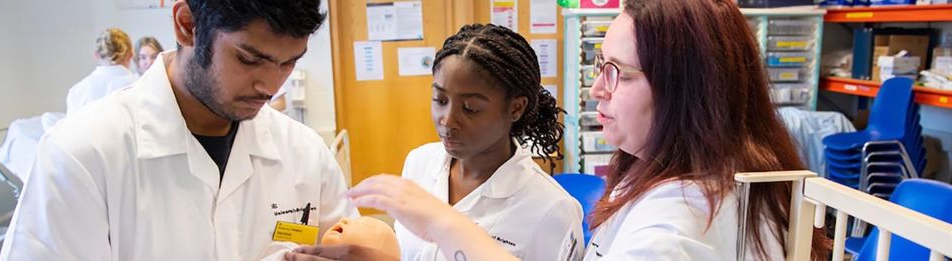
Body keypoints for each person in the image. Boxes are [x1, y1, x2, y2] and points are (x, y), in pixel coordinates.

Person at [317, 0, 832, 260]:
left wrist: (449, 227)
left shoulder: (673, 222)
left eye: (619, 73)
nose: (596, 91)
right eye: (439, 99)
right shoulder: (658, 178)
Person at [0, 0, 357, 260]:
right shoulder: (81, 154)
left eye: (289, 62)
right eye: (249, 59)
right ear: (186, 25)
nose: (271, 85)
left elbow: (350, 244)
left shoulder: (304, 152)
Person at [289, 24, 584, 261]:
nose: (447, 120)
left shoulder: (551, 210)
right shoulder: (420, 163)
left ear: (515, 108)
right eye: (439, 100)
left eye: (470, 108)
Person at [65, 28, 138, 115]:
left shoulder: (77, 91)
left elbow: (72, 127)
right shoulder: (139, 87)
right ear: (130, 55)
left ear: (96, 55)